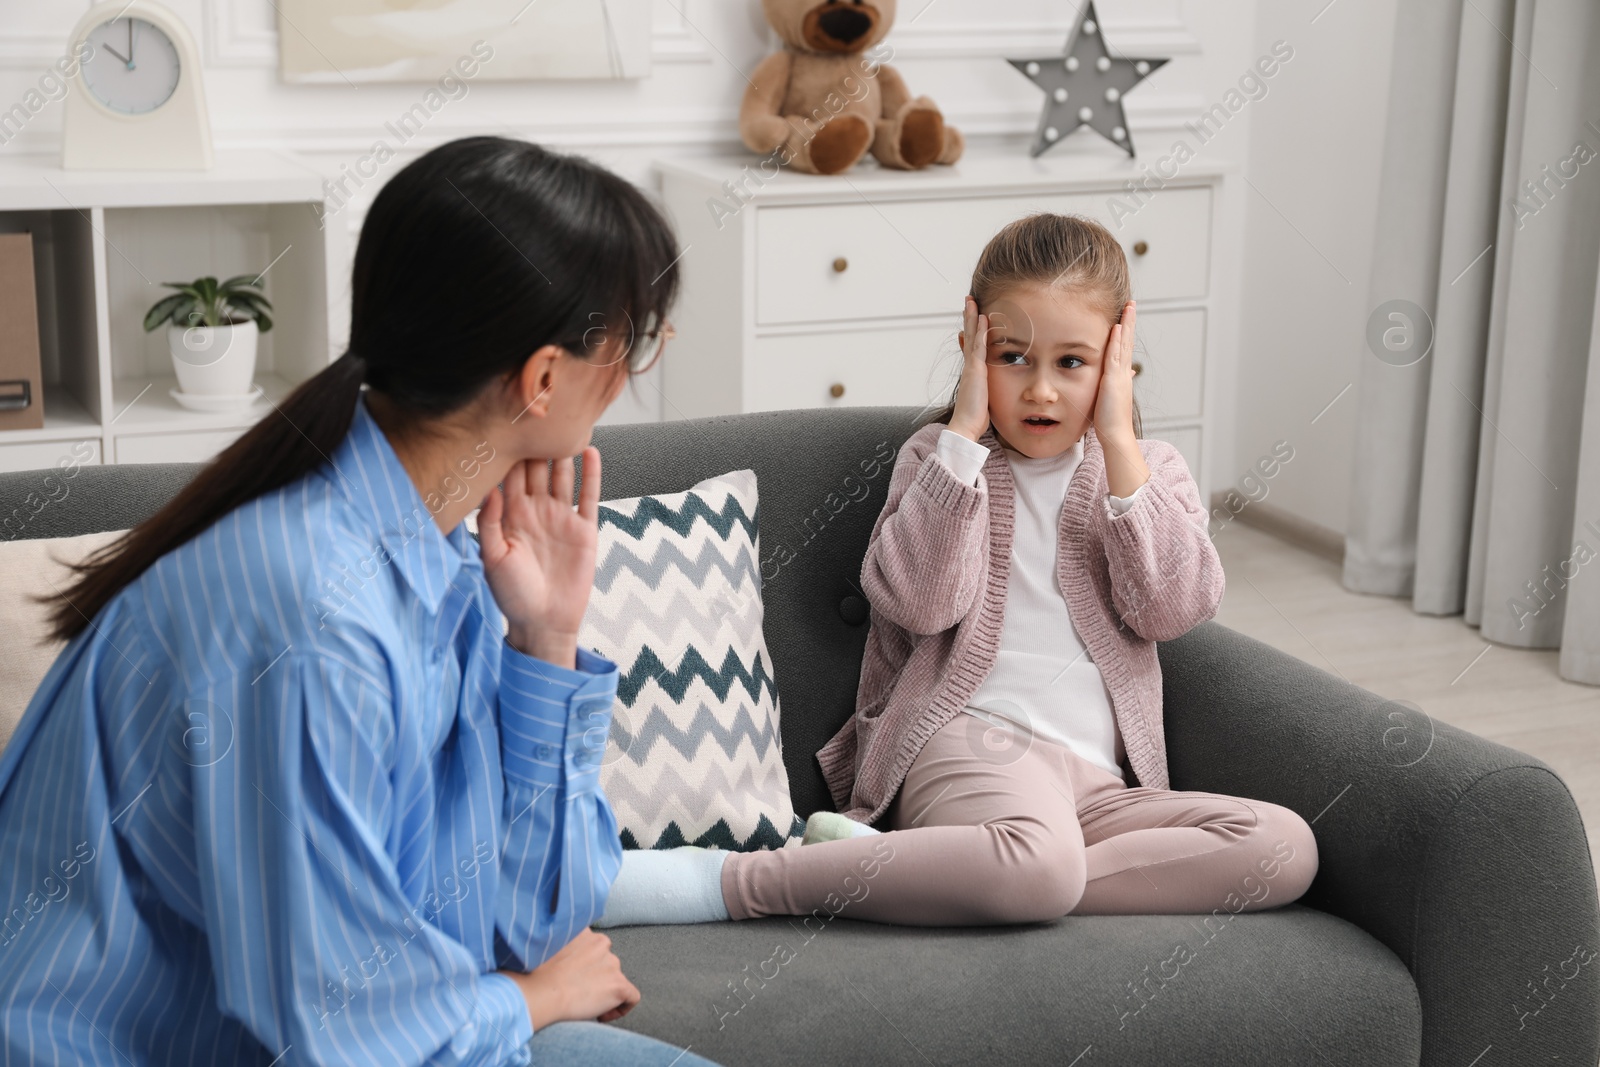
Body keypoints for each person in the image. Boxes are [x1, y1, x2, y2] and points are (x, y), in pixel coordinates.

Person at [0, 136, 721, 1067]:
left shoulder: (438, 562)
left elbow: (529, 919)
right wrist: (527, 1000)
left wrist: (545, 639)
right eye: (632, 344)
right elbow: (352, 1038)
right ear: (543, 378)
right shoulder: (312, 619)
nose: (628, 377)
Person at [596, 212, 1318, 929]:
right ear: (973, 346)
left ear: (1116, 358)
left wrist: (1122, 447)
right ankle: (742, 881)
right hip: (969, 746)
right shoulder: (939, 460)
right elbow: (918, 603)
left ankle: (927, 871)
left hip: (1095, 788)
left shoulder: (1149, 474)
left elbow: (1176, 607)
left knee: (1283, 845)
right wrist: (964, 441)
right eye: (1012, 357)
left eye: (1072, 362)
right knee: (1041, 859)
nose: (1040, 389)